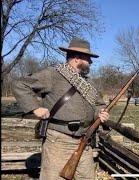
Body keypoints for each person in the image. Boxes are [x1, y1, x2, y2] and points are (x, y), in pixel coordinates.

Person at [13, 38, 109, 180]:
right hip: (58, 141)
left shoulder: (88, 83)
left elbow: (98, 104)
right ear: (77, 58)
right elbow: (20, 84)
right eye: (88, 58)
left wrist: (99, 113)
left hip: (84, 140)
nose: (91, 62)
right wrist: (35, 108)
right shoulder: (53, 74)